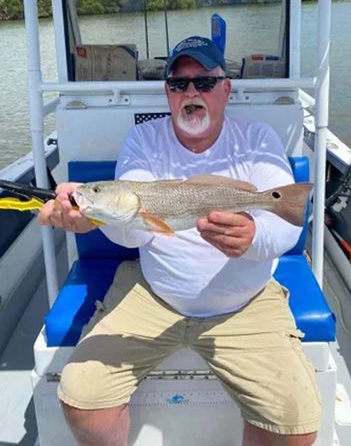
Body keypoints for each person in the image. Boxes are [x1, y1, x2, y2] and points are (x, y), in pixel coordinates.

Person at [38, 36, 321, 446]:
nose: (191, 92)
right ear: (167, 92)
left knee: (295, 428)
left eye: (204, 83)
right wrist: (91, 217)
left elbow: (287, 221)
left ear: (225, 89)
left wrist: (254, 236)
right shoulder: (144, 141)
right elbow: (132, 224)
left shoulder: (258, 139)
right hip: (154, 295)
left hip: (245, 304)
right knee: (81, 398)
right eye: (178, 83)